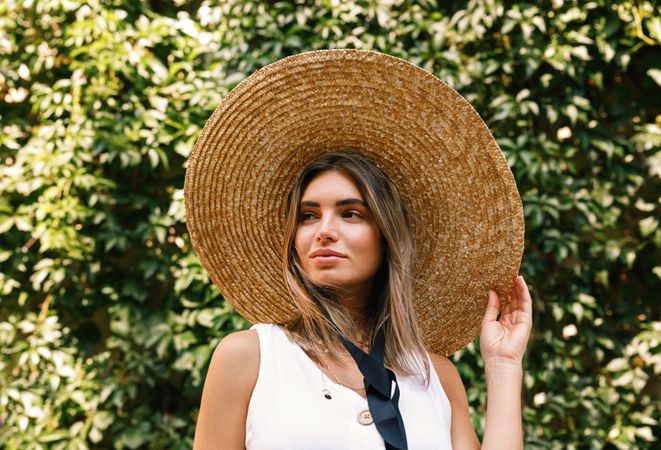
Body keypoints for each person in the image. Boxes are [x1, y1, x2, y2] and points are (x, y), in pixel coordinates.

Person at [184, 50, 532, 450]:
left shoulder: (435, 376)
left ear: (387, 235)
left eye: (351, 214)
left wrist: (504, 366)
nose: (324, 231)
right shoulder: (250, 358)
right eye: (307, 216)